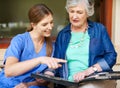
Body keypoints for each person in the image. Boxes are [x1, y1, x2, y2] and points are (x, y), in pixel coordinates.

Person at [54, 0, 117, 88]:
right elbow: (56, 62)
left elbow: (111, 56)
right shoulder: (62, 35)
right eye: (72, 11)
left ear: (87, 13)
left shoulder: (99, 30)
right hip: (70, 82)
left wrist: (89, 71)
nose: (74, 16)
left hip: (95, 79)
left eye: (79, 12)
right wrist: (48, 73)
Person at [0, 4, 66, 88]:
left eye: (51, 22)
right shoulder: (20, 40)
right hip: (8, 84)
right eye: (44, 24)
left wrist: (43, 80)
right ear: (33, 25)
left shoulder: (52, 47)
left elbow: (45, 80)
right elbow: (9, 71)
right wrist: (39, 60)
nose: (50, 27)